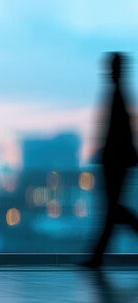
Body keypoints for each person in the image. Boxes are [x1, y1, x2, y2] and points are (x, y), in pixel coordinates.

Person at [82, 52, 138, 268]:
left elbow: (118, 132)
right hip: (117, 160)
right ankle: (96, 257)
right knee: (112, 210)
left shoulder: (117, 94)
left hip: (116, 162)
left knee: (113, 210)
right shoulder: (119, 93)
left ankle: (96, 257)